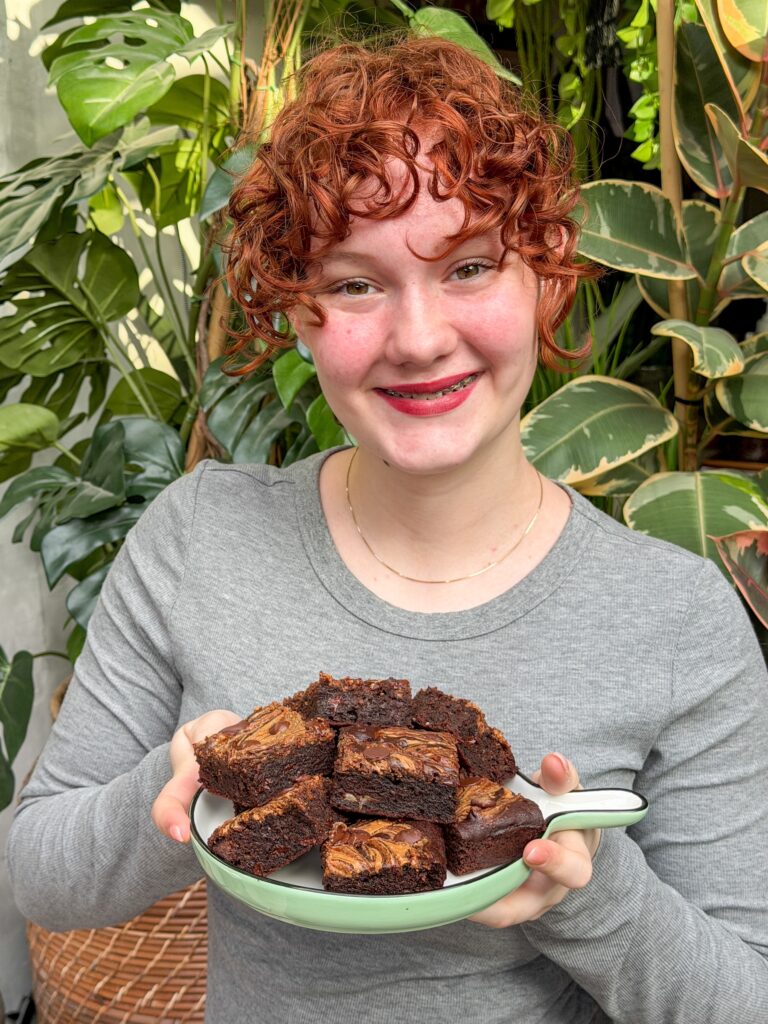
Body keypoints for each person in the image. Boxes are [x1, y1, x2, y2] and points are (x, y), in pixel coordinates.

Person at [7, 33, 768, 1024]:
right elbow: (41, 871)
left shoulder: (678, 621)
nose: (417, 338)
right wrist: (176, 786)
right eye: (355, 282)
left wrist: (589, 894)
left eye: (469, 265)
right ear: (296, 310)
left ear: (544, 273)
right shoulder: (201, 537)